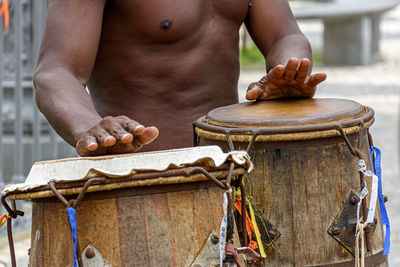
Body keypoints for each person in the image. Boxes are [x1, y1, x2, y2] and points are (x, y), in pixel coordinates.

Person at [34, 0, 326, 156]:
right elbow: (56, 71)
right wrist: (88, 127)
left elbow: (284, 34)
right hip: (135, 176)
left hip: (232, 167)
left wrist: (288, 70)